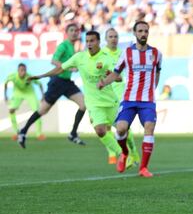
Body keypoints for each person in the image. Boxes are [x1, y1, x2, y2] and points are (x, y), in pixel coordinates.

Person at [28, 31, 130, 165]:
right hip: (93, 103)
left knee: (123, 129)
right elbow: (60, 69)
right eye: (87, 41)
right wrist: (41, 76)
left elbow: (118, 77)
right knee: (100, 130)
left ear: (99, 42)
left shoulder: (106, 58)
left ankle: (131, 153)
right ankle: (121, 155)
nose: (89, 44)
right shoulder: (79, 57)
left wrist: (109, 78)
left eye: (92, 41)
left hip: (110, 101)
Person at [98, 20, 162, 177]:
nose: (143, 34)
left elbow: (158, 72)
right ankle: (125, 153)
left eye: (145, 31)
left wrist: (152, 89)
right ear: (134, 33)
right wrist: (104, 82)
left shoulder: (156, 53)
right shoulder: (126, 53)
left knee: (149, 128)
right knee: (120, 129)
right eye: (140, 31)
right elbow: (116, 72)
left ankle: (143, 168)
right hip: (129, 99)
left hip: (147, 100)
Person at [17, 23, 86, 148]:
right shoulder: (64, 45)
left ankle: (73, 133)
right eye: (72, 30)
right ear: (67, 32)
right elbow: (53, 61)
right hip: (57, 82)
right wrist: (69, 68)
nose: (75, 32)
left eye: (76, 30)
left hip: (67, 83)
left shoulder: (72, 47)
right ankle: (23, 131)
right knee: (43, 110)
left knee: (83, 105)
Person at [101, 27, 140, 166]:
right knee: (105, 126)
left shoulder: (124, 53)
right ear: (106, 39)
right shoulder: (101, 54)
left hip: (121, 92)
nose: (113, 39)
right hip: (105, 94)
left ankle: (132, 151)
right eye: (110, 36)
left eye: (115, 36)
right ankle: (113, 152)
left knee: (123, 126)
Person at [4, 63, 45, 140]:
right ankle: (16, 133)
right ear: (18, 71)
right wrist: (5, 95)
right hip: (17, 93)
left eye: (24, 70)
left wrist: (43, 95)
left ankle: (38, 134)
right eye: (21, 70)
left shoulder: (29, 76)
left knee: (37, 111)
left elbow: (40, 84)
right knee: (11, 110)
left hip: (30, 93)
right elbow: (6, 84)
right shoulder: (12, 76)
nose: (23, 72)